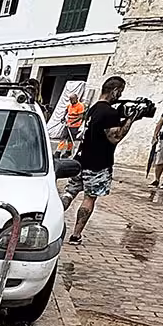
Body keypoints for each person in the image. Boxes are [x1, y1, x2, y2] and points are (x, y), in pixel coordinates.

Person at [62, 76, 139, 245]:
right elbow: (115, 137)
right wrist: (130, 120)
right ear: (116, 91)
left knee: (69, 193)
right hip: (98, 163)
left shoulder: (93, 109)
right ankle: (75, 235)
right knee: (89, 198)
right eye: (120, 92)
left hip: (81, 159)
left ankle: (51, 221)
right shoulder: (109, 113)